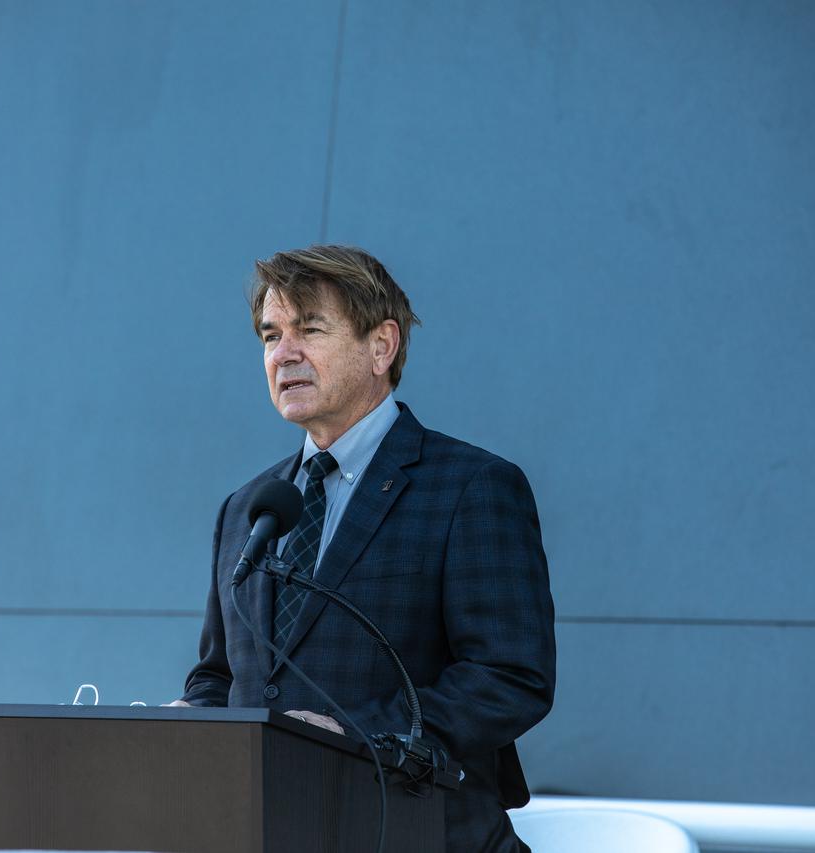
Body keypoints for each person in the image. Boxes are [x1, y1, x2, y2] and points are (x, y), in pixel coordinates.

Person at [173, 245, 556, 852]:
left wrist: (352, 736)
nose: (284, 353)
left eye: (310, 329)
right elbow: (221, 674)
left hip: (418, 834)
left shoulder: (471, 486)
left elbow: (510, 677)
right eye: (271, 335)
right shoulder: (249, 507)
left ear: (381, 347)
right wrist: (196, 717)